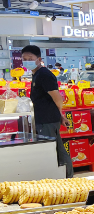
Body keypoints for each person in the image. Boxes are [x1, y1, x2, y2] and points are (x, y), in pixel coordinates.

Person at [21, 45, 73, 177]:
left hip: (47, 120)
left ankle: (67, 177)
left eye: (30, 58)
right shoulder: (36, 74)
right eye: (24, 59)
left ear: (39, 59)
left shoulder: (44, 75)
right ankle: (63, 177)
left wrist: (60, 115)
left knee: (55, 150)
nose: (27, 61)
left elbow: (58, 99)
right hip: (44, 119)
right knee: (55, 148)